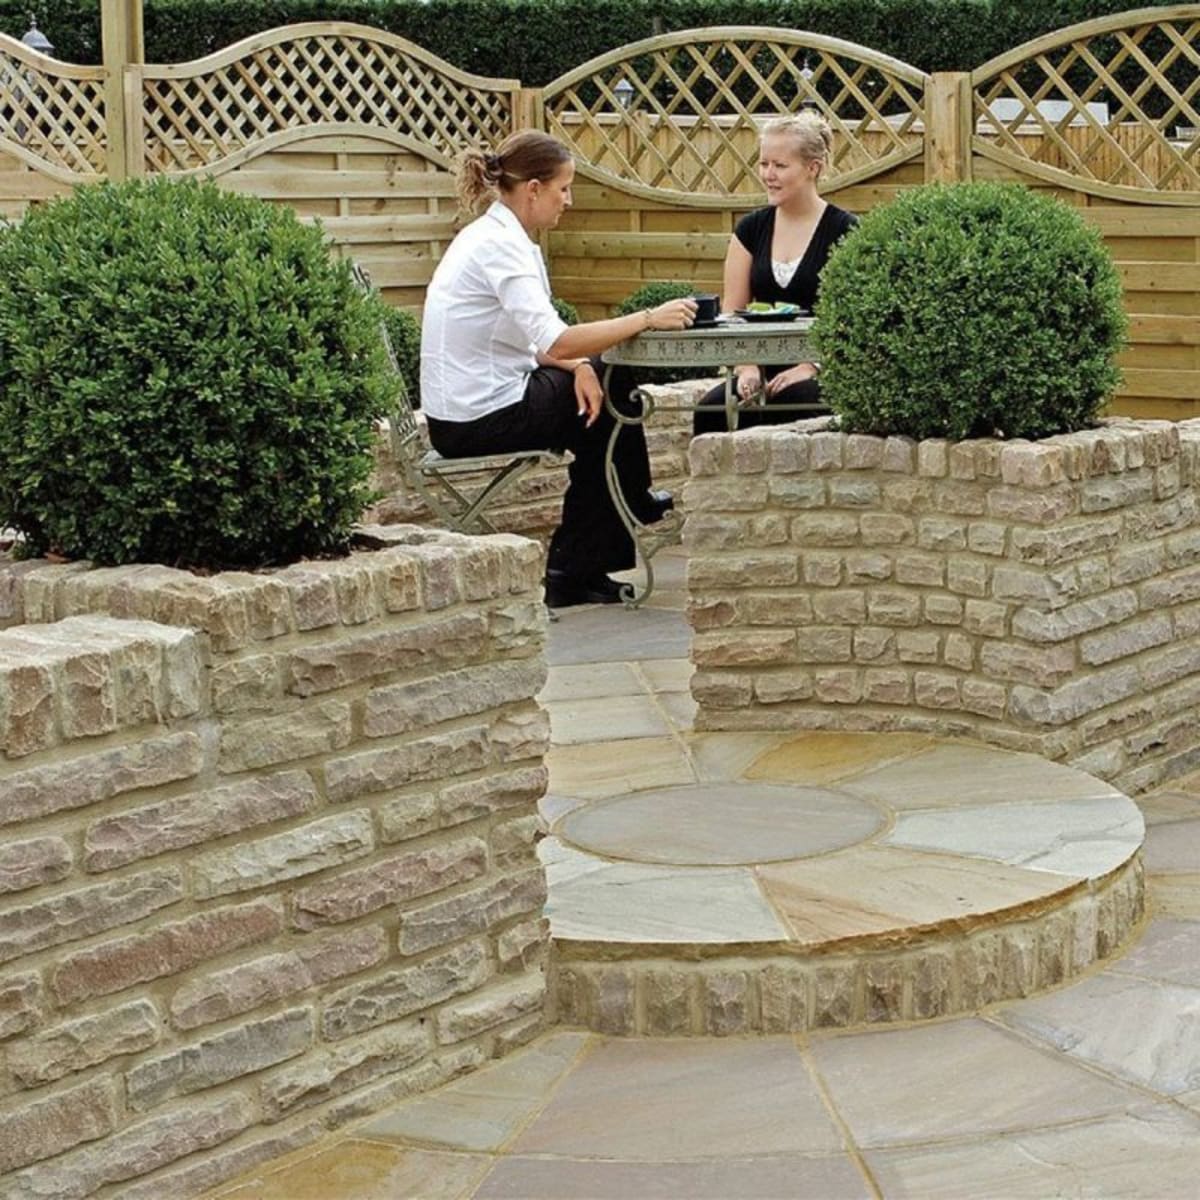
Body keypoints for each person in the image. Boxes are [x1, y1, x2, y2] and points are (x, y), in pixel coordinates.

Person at [420, 130, 696, 608]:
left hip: (476, 405)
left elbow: (537, 340)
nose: (568, 200)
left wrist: (578, 365)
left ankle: (585, 558)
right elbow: (555, 338)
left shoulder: (497, 236)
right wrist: (648, 318)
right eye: (563, 189)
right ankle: (613, 522)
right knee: (612, 382)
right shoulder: (499, 246)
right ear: (533, 189)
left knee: (601, 391)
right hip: (476, 418)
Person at [693, 112, 858, 435]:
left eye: (780, 166)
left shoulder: (846, 231)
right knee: (711, 411)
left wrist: (811, 367)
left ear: (813, 168)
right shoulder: (749, 229)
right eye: (764, 164)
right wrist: (747, 366)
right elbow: (732, 312)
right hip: (759, 365)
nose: (769, 175)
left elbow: (853, 321)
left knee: (799, 401)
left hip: (823, 369)